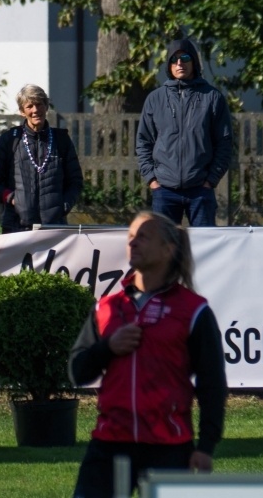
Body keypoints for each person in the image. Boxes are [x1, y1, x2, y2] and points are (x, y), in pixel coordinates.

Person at [68, 212, 226, 497]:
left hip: (169, 448)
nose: (133, 243)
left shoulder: (194, 310)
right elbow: (78, 371)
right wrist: (108, 348)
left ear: (169, 249)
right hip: (109, 444)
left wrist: (206, 447)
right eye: (130, 237)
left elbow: (212, 383)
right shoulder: (107, 307)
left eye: (143, 236)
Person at [135, 37, 233, 227]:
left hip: (200, 191)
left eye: (185, 57)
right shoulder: (155, 99)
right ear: (169, 65)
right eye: (174, 59)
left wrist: (210, 181)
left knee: (204, 251)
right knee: (164, 252)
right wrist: (152, 180)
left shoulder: (212, 97)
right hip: (164, 191)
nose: (180, 63)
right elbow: (143, 142)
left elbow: (225, 142)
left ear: (194, 62)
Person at [0, 84, 83, 233]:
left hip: (54, 228)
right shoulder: (9, 141)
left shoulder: (61, 140)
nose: (35, 110)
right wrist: (12, 199)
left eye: (39, 104)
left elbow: (75, 181)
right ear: (21, 112)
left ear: (46, 106)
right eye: (29, 106)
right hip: (16, 227)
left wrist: (64, 204)